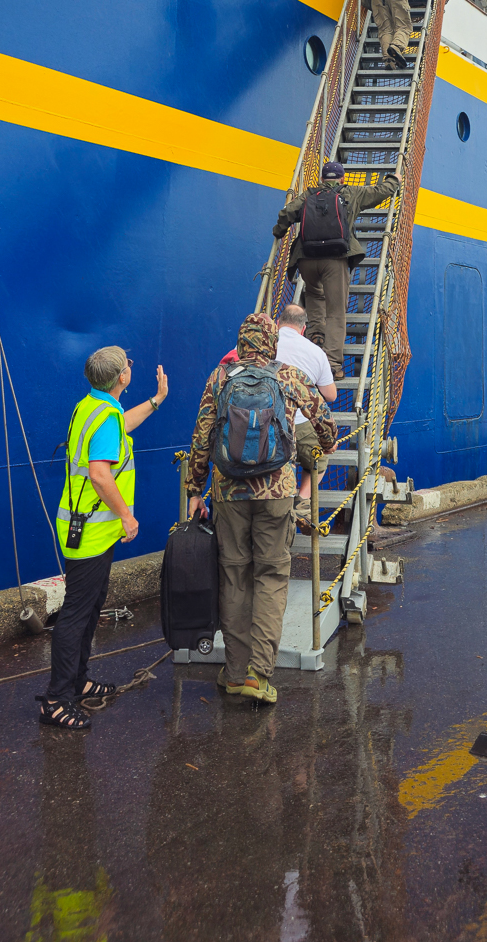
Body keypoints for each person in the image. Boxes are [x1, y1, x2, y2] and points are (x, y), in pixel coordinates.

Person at [186, 313, 336, 703]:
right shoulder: (287, 376)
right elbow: (324, 419)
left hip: (228, 493)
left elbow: (201, 437)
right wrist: (327, 443)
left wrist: (194, 489)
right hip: (277, 492)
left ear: (241, 344)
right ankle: (258, 674)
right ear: (271, 343)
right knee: (271, 576)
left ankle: (235, 673)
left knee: (235, 578)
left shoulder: (220, 378)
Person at [38, 346, 167, 729]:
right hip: (91, 532)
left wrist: (156, 401)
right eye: (128, 364)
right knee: (77, 614)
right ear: (122, 377)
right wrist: (127, 516)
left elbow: (121, 425)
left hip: (87, 526)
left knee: (91, 606)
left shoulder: (93, 406)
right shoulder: (105, 415)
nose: (131, 367)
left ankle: (78, 681)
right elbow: (99, 473)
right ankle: (56, 700)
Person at [272, 160, 400, 379]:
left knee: (314, 293)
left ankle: (316, 334)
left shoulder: (308, 195)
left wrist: (279, 231)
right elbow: (380, 192)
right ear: (342, 178)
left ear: (322, 178)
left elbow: (287, 213)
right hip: (335, 258)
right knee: (336, 310)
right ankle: (331, 363)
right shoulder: (351, 193)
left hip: (306, 259)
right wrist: (393, 180)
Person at [275, 302, 338, 523]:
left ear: (278, 322)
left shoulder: (263, 345)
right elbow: (331, 396)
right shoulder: (315, 352)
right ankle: (302, 501)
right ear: (303, 329)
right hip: (300, 424)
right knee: (318, 458)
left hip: (262, 423)